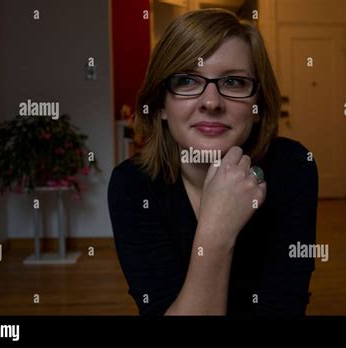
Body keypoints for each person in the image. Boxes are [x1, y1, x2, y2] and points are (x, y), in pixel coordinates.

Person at [108, 8, 318, 316]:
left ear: (257, 104)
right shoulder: (133, 187)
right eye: (187, 80)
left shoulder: (293, 169)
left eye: (233, 82)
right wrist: (216, 232)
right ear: (161, 105)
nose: (211, 102)